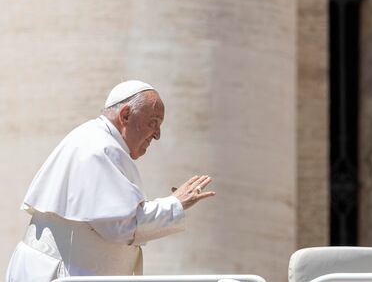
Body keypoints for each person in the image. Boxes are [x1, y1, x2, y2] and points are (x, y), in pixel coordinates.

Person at [5, 80, 215, 282]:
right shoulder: (100, 149)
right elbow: (122, 226)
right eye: (153, 123)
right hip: (64, 274)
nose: (158, 135)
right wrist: (175, 204)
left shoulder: (97, 139)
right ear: (125, 115)